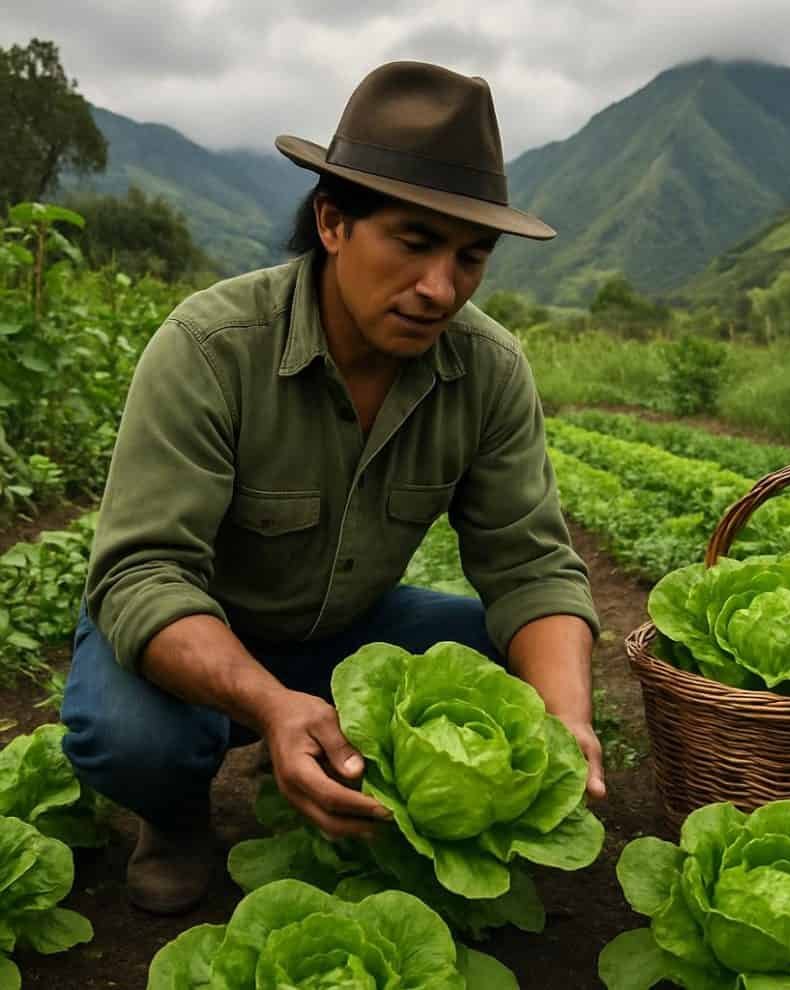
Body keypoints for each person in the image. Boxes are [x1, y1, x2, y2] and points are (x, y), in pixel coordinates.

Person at [60, 60, 603, 916]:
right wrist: (273, 704)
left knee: (521, 668)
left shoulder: (488, 368)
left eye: (471, 257)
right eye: (414, 243)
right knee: (133, 738)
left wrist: (565, 720)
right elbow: (142, 576)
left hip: (345, 631)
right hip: (194, 631)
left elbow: (531, 566)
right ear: (333, 222)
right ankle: (173, 817)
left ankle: (385, 807)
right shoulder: (211, 348)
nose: (440, 289)